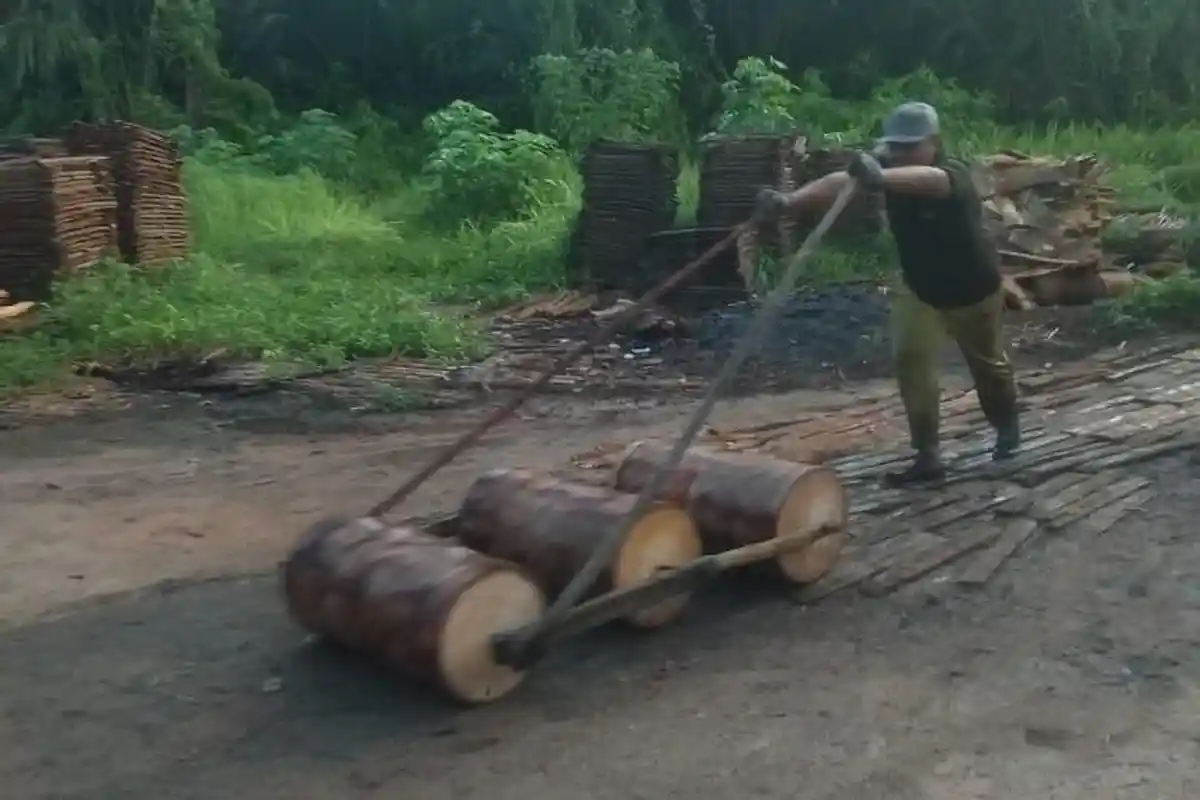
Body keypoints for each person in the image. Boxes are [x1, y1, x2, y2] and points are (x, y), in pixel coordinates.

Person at [753, 101, 1019, 485]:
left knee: (989, 368)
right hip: (921, 289)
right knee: (911, 359)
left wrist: (881, 177)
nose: (901, 152)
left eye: (910, 146)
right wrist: (789, 203)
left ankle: (1007, 427)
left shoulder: (953, 173)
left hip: (972, 291)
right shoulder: (889, 168)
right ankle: (928, 454)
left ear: (934, 142)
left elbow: (931, 181)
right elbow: (839, 183)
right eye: (896, 145)